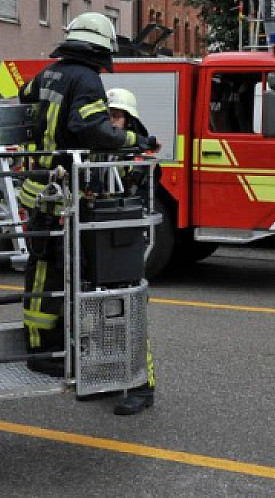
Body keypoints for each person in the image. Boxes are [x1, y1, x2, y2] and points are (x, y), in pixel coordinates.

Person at [17, 12, 135, 380]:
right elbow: (91, 129)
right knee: (47, 274)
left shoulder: (50, 72)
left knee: (52, 271)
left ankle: (53, 343)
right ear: (101, 47)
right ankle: (41, 350)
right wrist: (133, 139)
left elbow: (24, 97)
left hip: (43, 187)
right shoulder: (86, 79)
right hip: (57, 195)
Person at [106, 87, 158, 416]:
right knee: (103, 314)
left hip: (127, 242)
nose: (112, 122)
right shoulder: (102, 151)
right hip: (104, 242)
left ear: (129, 120)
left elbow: (134, 191)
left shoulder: (139, 155)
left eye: (117, 116)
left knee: (131, 314)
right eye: (108, 116)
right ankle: (110, 378)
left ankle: (143, 386)